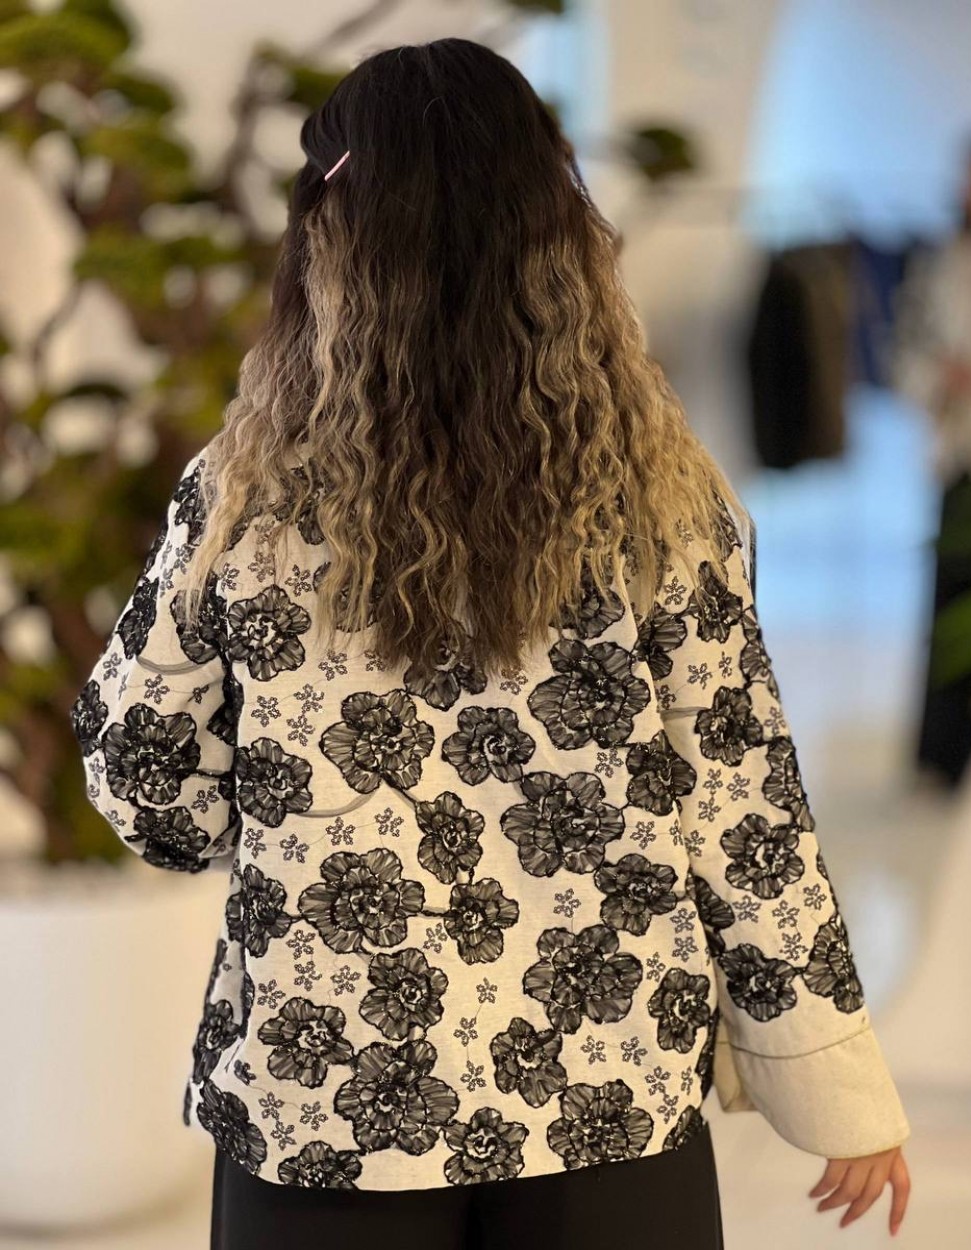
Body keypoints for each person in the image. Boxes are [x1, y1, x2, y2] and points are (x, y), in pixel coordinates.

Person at [69, 38, 911, 1250]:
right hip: (609, 1094)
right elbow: (743, 799)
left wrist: (270, 816)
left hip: (329, 1104)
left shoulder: (245, 498)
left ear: (328, 241)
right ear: (559, 235)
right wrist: (838, 1084)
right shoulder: (660, 494)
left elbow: (143, 776)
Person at [894, 134, 971, 790]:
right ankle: (946, 756)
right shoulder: (945, 264)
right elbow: (910, 351)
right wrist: (939, 378)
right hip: (962, 455)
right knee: (953, 608)